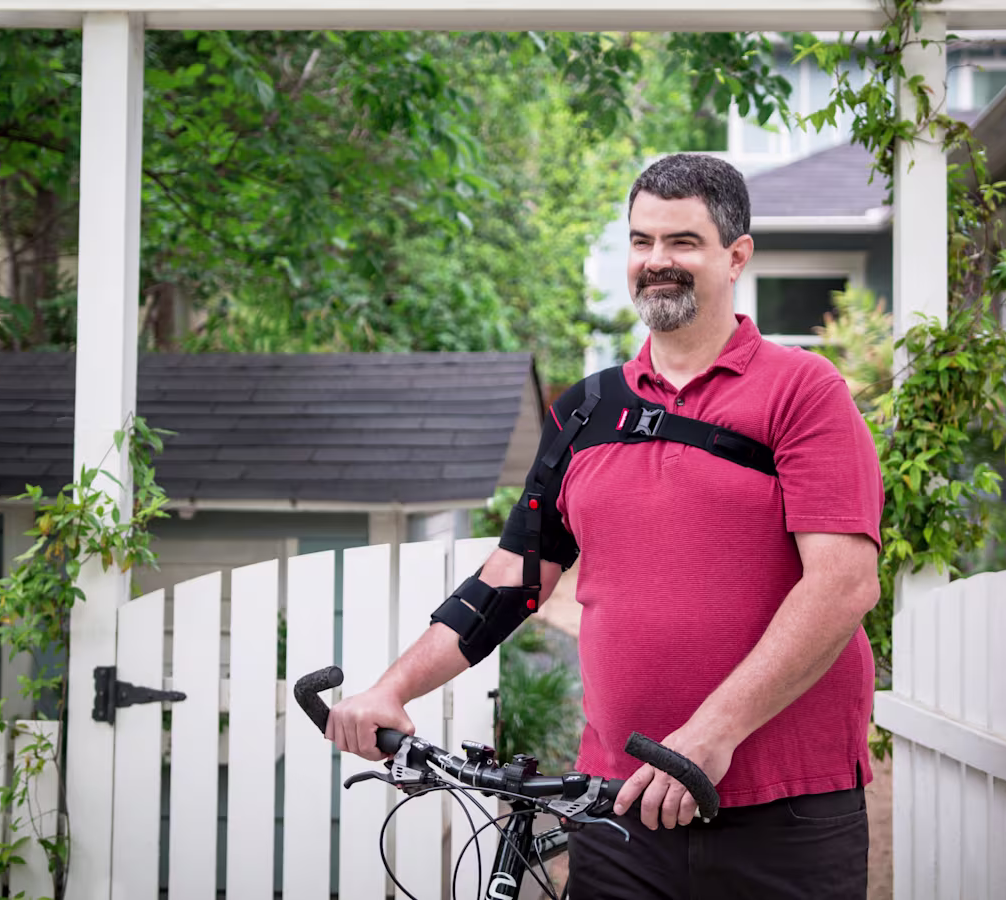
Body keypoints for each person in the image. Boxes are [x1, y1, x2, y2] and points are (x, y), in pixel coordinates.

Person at [325, 153, 884, 899]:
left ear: (736, 255)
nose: (658, 262)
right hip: (617, 807)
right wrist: (391, 689)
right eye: (642, 241)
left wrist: (710, 734)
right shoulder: (587, 410)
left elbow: (843, 586)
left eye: (683, 242)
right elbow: (515, 578)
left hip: (782, 810)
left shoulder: (802, 392)